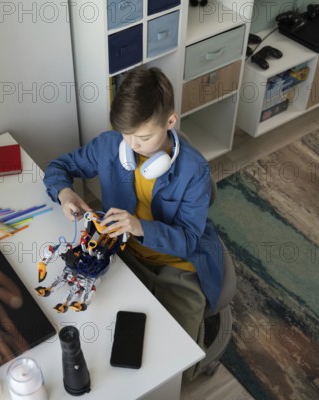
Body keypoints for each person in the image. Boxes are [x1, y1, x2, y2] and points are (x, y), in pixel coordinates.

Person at [43, 67, 224, 381]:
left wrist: (140, 227)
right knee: (104, 331)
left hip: (179, 264)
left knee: (176, 365)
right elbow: (59, 166)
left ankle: (198, 367)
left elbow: (189, 240)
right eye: (127, 135)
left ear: (170, 121)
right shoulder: (111, 146)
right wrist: (65, 191)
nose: (133, 145)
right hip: (125, 253)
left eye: (143, 137)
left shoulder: (194, 171)